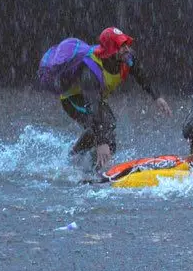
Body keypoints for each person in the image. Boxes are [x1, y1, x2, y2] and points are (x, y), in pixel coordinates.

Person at [60, 27, 172, 170]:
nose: (126, 49)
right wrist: (101, 142)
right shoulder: (90, 70)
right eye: (121, 46)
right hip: (74, 99)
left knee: (108, 128)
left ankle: (98, 168)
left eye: (126, 44)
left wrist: (157, 97)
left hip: (95, 99)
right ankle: (74, 157)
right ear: (110, 51)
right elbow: (93, 106)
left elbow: (141, 76)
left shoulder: (127, 59)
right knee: (102, 128)